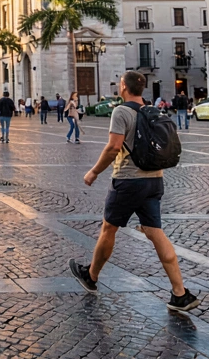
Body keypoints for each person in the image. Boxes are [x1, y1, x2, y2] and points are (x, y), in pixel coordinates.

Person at [69, 71, 199, 313]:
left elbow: (113, 147)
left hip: (128, 181)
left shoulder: (121, 112)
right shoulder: (153, 110)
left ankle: (91, 276)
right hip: (154, 180)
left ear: (123, 87)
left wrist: (94, 172)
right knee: (155, 232)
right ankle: (180, 293)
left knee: (109, 228)